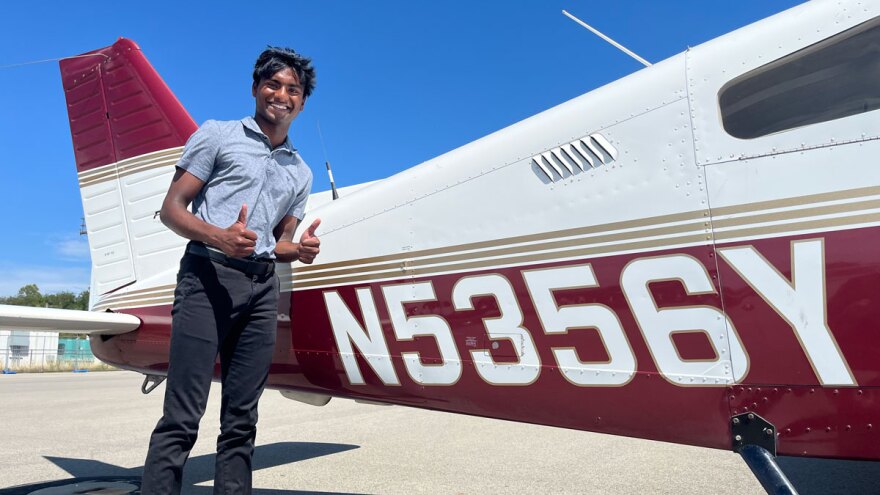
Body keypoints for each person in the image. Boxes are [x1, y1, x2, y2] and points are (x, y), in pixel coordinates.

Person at [141, 46, 320, 495]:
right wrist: (217, 236)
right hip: (207, 277)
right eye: (273, 84)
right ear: (256, 88)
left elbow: (276, 242)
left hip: (261, 289)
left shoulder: (301, 172)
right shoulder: (217, 135)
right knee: (183, 413)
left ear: (302, 100)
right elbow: (170, 210)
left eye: (292, 89)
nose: (281, 94)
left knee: (243, 419)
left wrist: (297, 251)